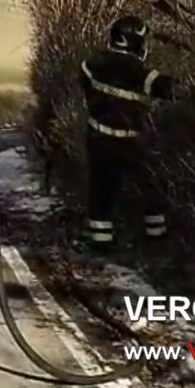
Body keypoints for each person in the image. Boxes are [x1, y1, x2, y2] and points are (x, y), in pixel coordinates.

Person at [80, 15, 176, 251]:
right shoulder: (140, 72)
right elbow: (168, 89)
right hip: (130, 142)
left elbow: (84, 81)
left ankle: (100, 242)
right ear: (135, 42)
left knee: (101, 192)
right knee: (152, 186)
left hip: (98, 139)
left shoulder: (91, 65)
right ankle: (157, 240)